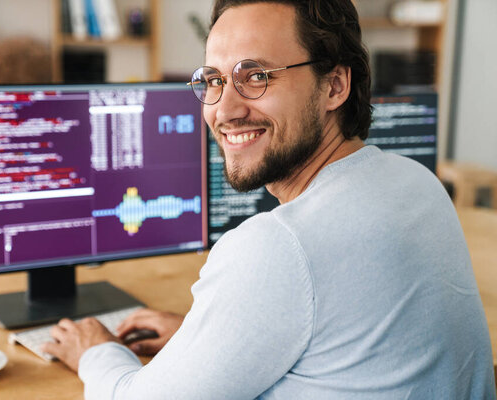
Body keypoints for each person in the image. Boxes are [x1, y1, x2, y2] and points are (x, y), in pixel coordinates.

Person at [43, 1, 496, 398]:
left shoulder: (279, 246)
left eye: (256, 76)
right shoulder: (416, 181)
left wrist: (96, 352)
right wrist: (207, 338)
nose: (225, 109)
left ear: (335, 86)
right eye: (214, 80)